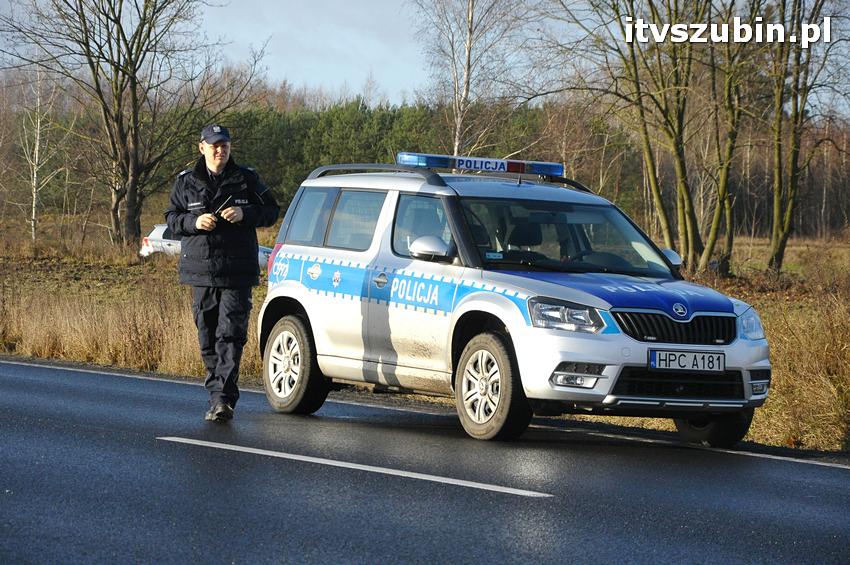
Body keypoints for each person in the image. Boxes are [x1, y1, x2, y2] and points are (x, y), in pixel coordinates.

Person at [165, 124, 280, 422]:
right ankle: (216, 392)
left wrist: (246, 214)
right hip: (201, 270)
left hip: (237, 271)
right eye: (215, 146)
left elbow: (271, 210)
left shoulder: (247, 179)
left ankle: (223, 399)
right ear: (201, 147)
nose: (220, 150)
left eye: (225, 145)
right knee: (207, 334)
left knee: (230, 335)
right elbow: (171, 218)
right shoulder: (186, 182)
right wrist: (193, 222)